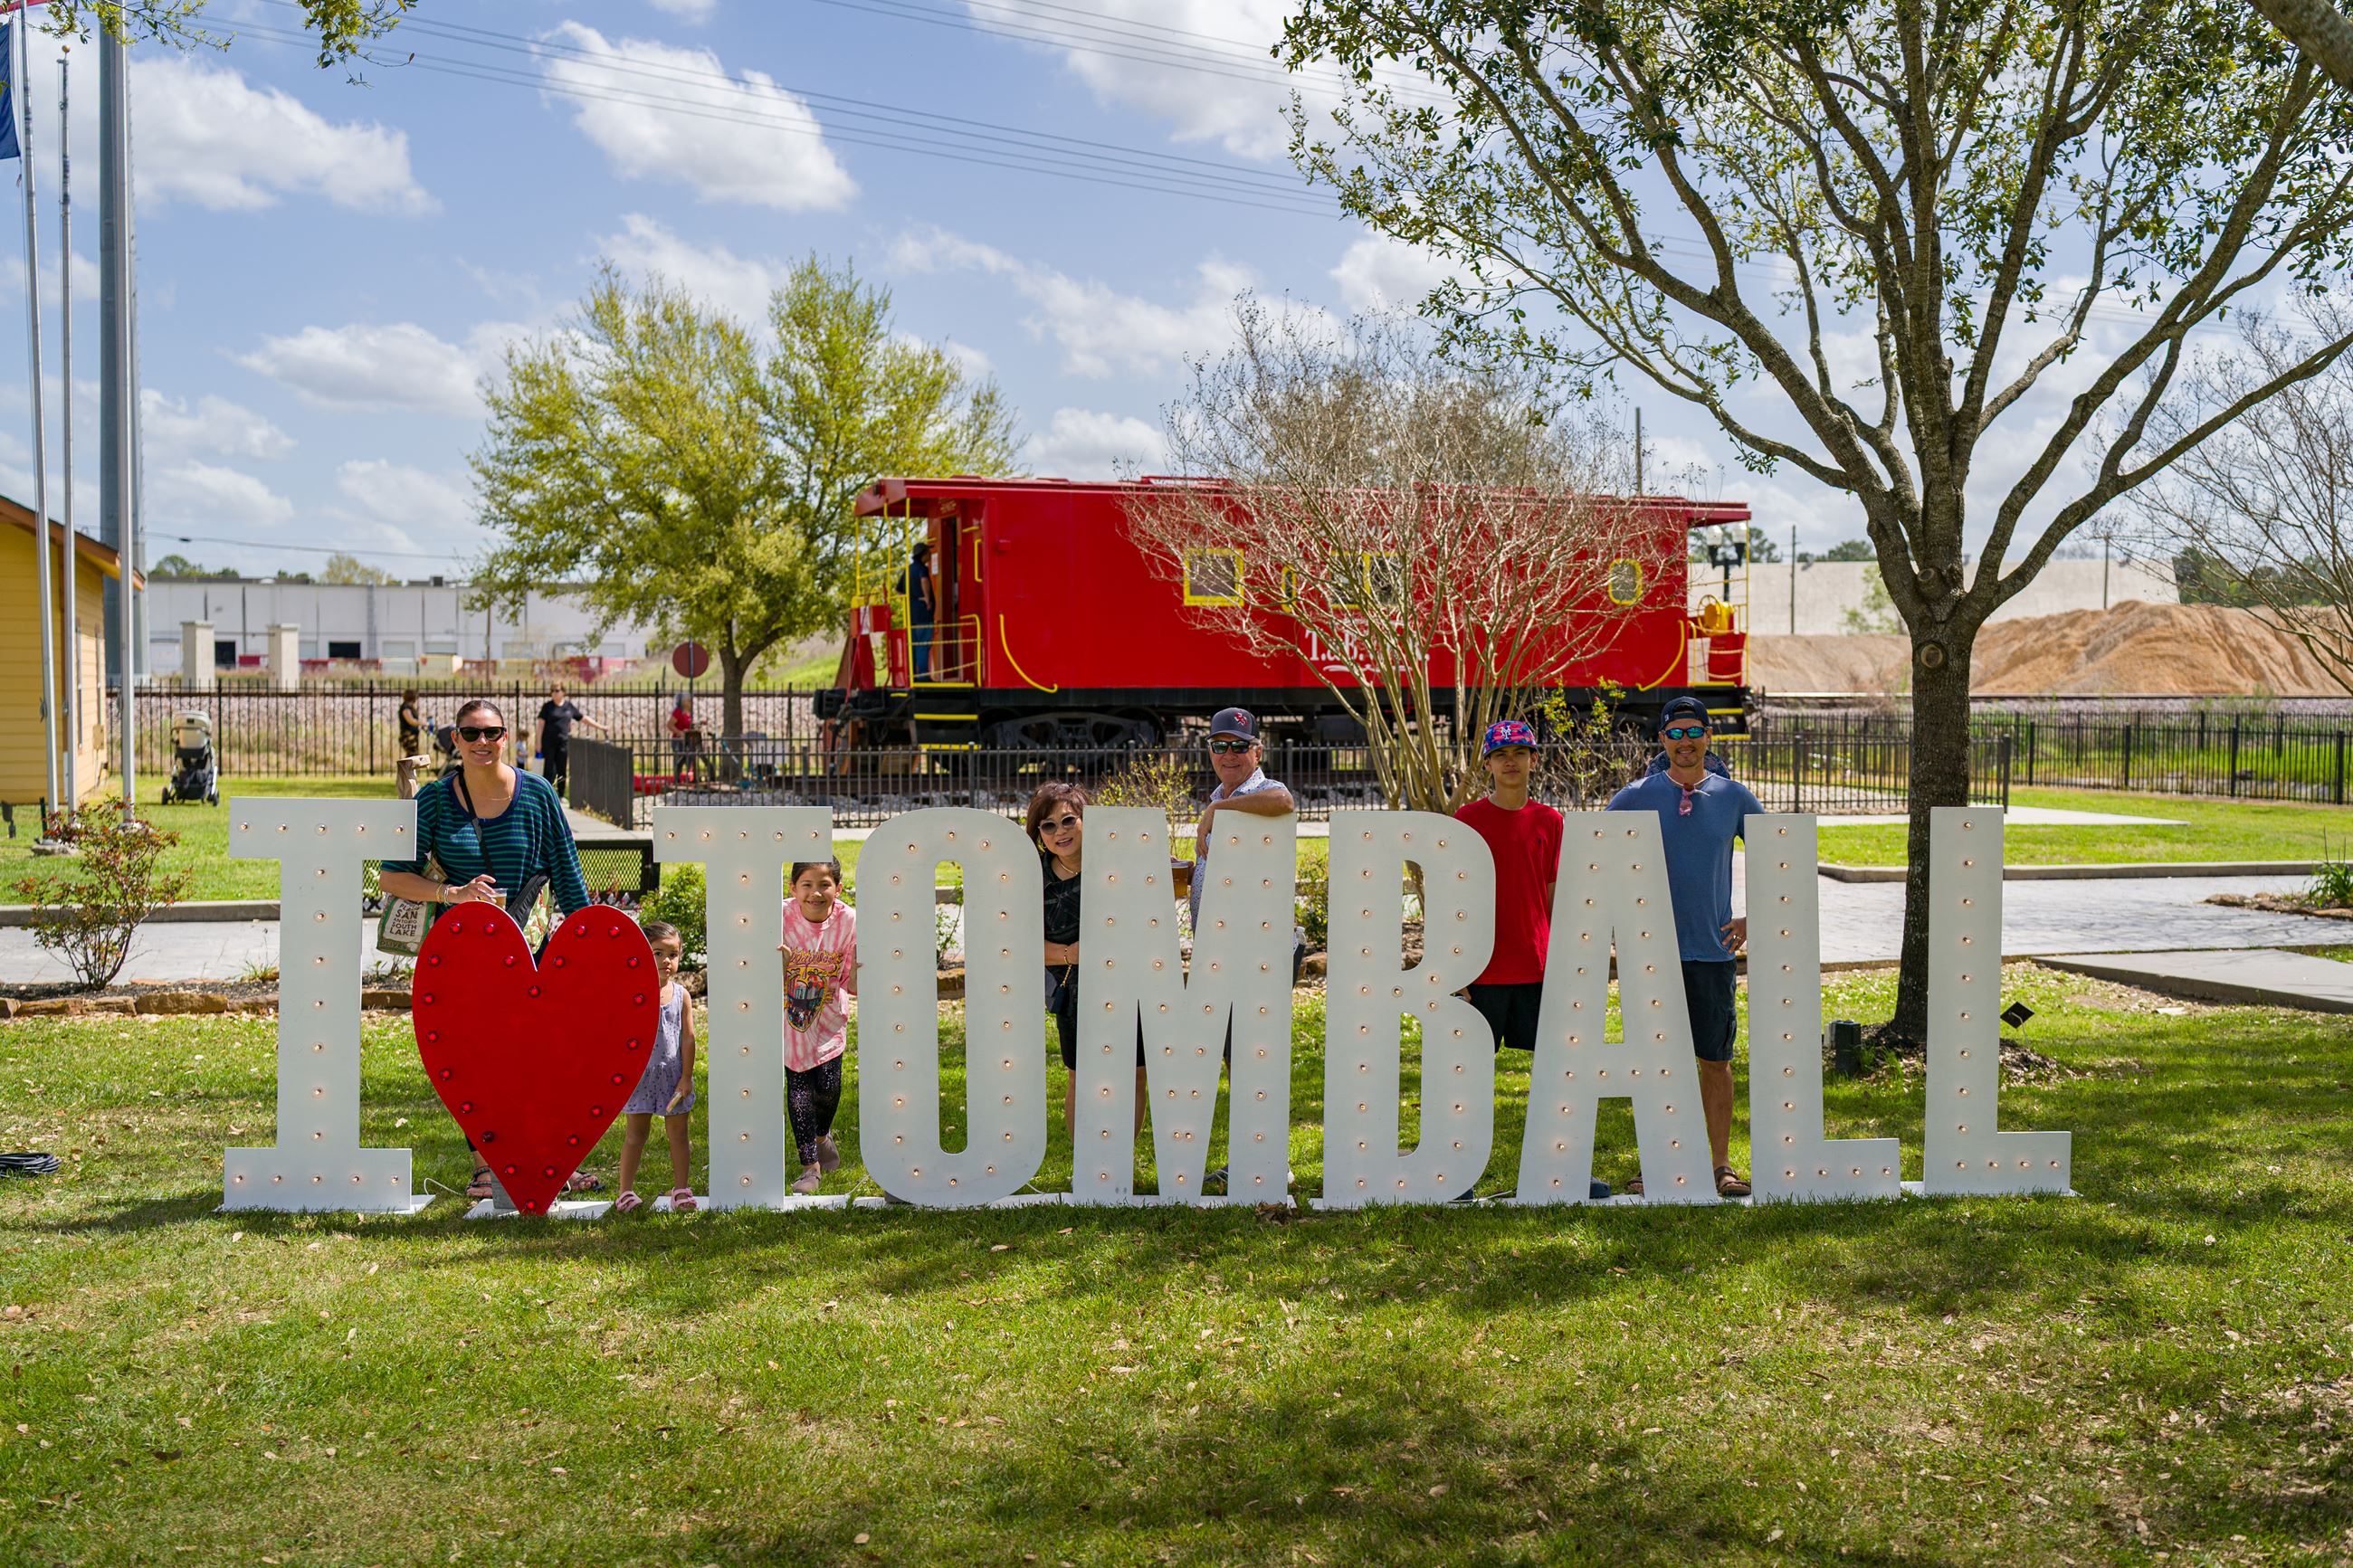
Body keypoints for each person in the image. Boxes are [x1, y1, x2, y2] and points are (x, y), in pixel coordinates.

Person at [379, 696, 595, 1202]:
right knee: (474, 1060)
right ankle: (485, 1167)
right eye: (470, 733)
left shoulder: (538, 794)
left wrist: (587, 943)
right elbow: (392, 877)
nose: (482, 743)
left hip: (532, 952)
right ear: (454, 739)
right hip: (464, 956)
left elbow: (566, 869)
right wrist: (450, 893)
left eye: (492, 733)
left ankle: (551, 1162)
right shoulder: (433, 801)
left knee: (542, 1056)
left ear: (507, 737)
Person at [1605, 695, 1762, 1199]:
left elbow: (1777, 854)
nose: (1685, 742)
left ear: (1708, 737)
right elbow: (1596, 857)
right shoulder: (1634, 796)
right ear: (1662, 741)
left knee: (1714, 1061)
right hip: (1651, 954)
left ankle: (1719, 1166)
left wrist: (1750, 915)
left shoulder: (1733, 796)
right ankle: (1658, 1162)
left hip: (1712, 952)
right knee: (1657, 1062)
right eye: (1674, 734)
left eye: (1693, 732)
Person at [1455, 718, 1612, 1202]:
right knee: (1466, 1077)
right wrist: (1453, 970)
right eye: (1501, 754)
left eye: (1520, 753)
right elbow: (1452, 897)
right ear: (1486, 763)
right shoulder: (1467, 820)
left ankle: (1562, 1169)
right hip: (1481, 972)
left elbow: (1554, 895)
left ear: (1533, 761)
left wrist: (1570, 962)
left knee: (1558, 1074)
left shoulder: (1550, 821)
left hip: (1539, 969)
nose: (1510, 761)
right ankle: (1456, 1174)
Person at [1190, 708, 1296, 1196]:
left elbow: (1284, 798)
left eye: (1238, 746)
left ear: (1257, 751)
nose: (1228, 754)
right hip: (1223, 953)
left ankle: (1270, 1160)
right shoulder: (1223, 795)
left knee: (1254, 1058)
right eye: (1219, 745)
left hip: (1259, 952)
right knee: (1238, 1058)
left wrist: (1217, 813)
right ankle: (1254, 1155)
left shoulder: (1256, 794)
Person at [1027, 783, 1147, 1138]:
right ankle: (1086, 1163)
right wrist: (1070, 955)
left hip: (1128, 982)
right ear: (1039, 834)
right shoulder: (1032, 877)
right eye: (1048, 826)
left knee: (1136, 1070)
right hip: (1074, 991)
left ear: (1086, 821)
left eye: (1068, 820)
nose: (1060, 831)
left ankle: (1121, 1156)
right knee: (1080, 1074)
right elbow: (1016, 945)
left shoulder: (1116, 864)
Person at [779, 859, 858, 1195]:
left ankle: (822, 1135)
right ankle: (809, 1169)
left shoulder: (849, 921)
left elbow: (852, 979)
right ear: (793, 888)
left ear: (837, 889)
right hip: (791, 1020)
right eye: (807, 885)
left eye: (824, 884)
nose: (815, 893)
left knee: (828, 1089)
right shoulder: (779, 918)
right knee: (799, 1090)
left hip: (828, 1019)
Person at [614, 921, 697, 1213]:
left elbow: (687, 1038)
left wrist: (686, 1077)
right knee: (636, 1135)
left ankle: (682, 1189)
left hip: (673, 1078)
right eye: (657, 953)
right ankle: (625, 1191)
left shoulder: (681, 996)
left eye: (672, 954)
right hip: (641, 1078)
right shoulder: (632, 994)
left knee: (679, 1134)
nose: (666, 961)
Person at [533, 681, 605, 796]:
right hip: (548, 743)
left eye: (557, 690)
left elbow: (583, 718)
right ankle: (547, 794)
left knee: (562, 769)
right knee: (549, 769)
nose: (554, 693)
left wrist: (601, 727)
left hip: (563, 743)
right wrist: (538, 743)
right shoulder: (547, 707)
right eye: (552, 691)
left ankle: (560, 794)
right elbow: (540, 725)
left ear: (563, 692)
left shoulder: (568, 706)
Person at [899, 542, 936, 678]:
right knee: (923, 645)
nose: (930, 555)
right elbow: (924, 580)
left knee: (913, 646)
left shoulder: (908, 569)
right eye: (928, 552)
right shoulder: (922, 569)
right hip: (923, 614)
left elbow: (899, 590)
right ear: (923, 555)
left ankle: (911, 676)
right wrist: (926, 598)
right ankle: (924, 677)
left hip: (911, 615)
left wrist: (911, 601)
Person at [397, 688, 424, 759]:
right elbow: (411, 721)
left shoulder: (410, 707)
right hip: (408, 736)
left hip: (412, 736)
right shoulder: (406, 707)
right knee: (411, 757)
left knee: (412, 757)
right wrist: (422, 723)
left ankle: (408, 770)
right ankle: (406, 770)